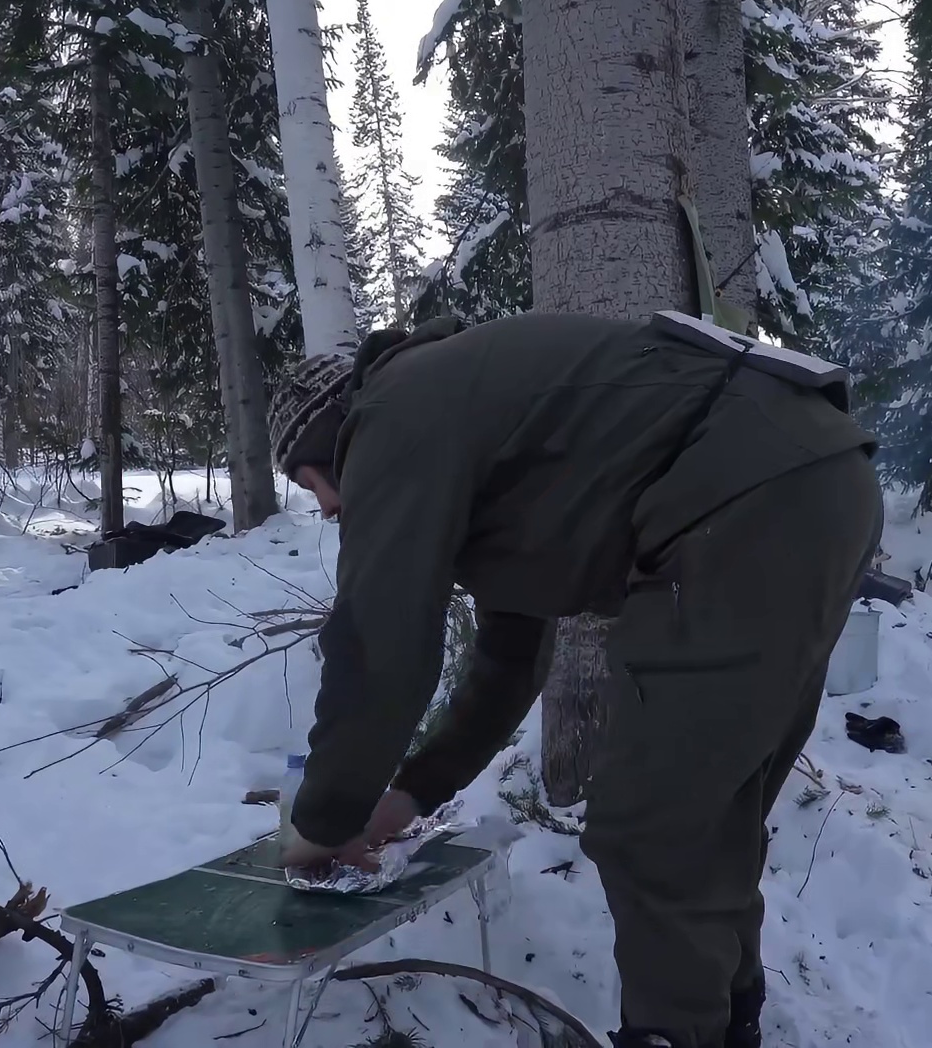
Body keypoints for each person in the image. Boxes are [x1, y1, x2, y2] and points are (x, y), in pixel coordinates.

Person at [265, 310, 883, 1048]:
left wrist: (322, 821)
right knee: (710, 811)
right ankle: (725, 1020)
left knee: (649, 827)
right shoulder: (464, 415)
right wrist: (411, 794)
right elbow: (509, 656)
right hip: (815, 480)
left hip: (743, 497)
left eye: (309, 482)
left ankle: (676, 1032)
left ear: (328, 440)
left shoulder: (391, 414)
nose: (328, 507)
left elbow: (378, 642)